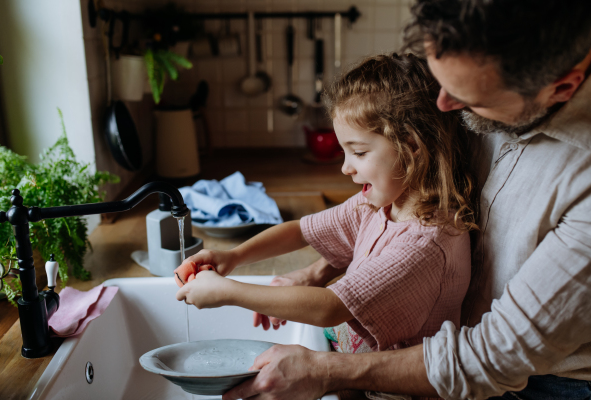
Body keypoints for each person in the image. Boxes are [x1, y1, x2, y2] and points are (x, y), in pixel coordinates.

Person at [215, 1, 591, 399]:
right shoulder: (485, 86)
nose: (443, 105)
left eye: (467, 97)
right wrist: (319, 269)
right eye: (440, 79)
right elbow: (369, 221)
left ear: (561, 89)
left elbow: (493, 358)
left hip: (537, 383)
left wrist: (326, 371)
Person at [175, 54, 477, 398]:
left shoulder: (427, 242)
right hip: (358, 377)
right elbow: (301, 230)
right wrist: (234, 256)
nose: (346, 167)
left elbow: (329, 307)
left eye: (359, 152)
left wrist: (228, 292)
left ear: (411, 148)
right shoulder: (382, 203)